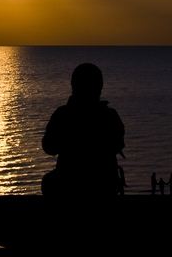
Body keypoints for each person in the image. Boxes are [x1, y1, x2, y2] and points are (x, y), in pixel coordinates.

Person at [41, 63, 125, 196]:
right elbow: (118, 144)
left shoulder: (62, 114)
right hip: (104, 186)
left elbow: (49, 147)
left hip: (70, 186)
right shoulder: (110, 115)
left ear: (74, 86)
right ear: (99, 87)